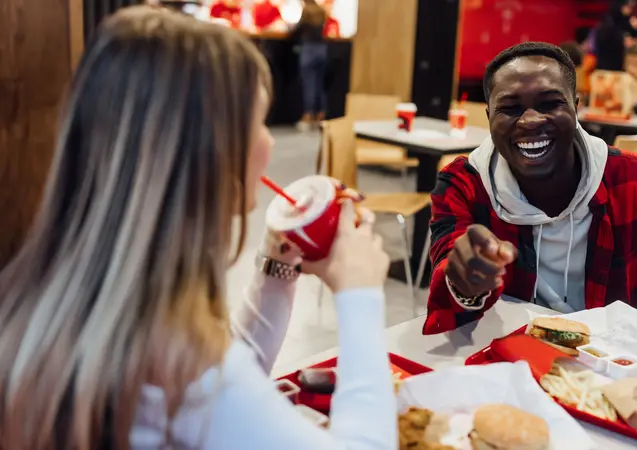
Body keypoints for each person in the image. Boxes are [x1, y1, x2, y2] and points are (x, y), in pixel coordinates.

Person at [0, 7, 396, 449]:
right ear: (212, 156)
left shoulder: (53, 306)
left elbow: (230, 370)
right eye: (259, 123)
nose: (269, 142)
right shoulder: (184, 377)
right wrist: (360, 295)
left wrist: (276, 267)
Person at [423, 42, 637, 374]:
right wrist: (463, 284)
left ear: (576, 106)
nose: (530, 121)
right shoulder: (464, 185)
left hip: (618, 374)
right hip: (510, 367)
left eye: (550, 103)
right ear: (488, 117)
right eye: (509, 108)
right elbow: (447, 276)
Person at [294, 0, 329, 132]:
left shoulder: (306, 11)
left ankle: (308, 115)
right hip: (322, 49)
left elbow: (297, 30)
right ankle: (320, 115)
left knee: (309, 83)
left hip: (309, 49)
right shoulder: (321, 11)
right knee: (320, 84)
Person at [594, 0, 637, 71]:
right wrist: (622, 41)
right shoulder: (609, 20)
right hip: (607, 63)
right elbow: (605, 40)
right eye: (628, 6)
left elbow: (633, 37)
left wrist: (636, 29)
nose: (629, 9)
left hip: (621, 63)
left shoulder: (628, 20)